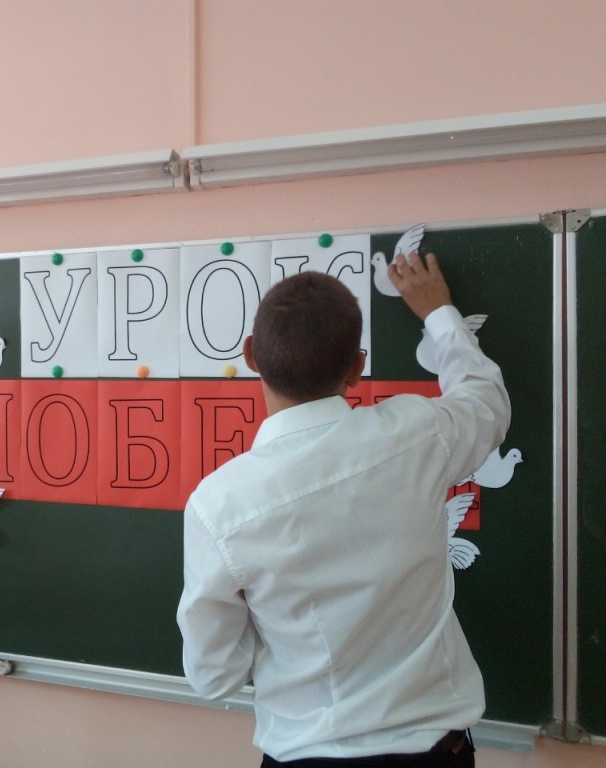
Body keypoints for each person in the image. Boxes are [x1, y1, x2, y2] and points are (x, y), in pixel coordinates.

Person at [177, 251, 510, 767]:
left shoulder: (219, 505)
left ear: (251, 356)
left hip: (304, 755)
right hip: (433, 753)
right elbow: (485, 401)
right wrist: (438, 313)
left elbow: (214, 676)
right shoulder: (417, 433)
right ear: (357, 367)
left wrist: (292, 633)